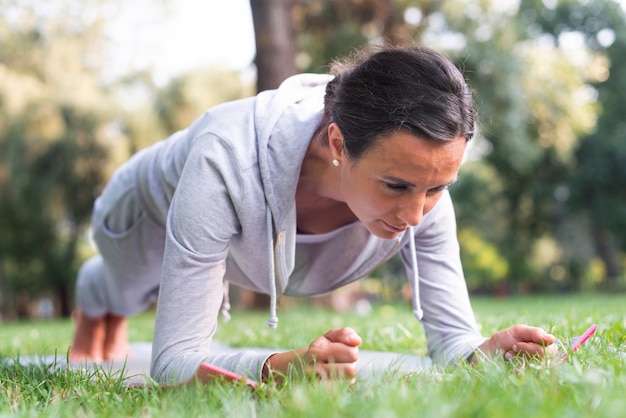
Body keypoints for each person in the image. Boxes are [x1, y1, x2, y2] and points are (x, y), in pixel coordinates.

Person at [70, 44, 557, 384]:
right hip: (144, 212)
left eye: (437, 188)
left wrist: (482, 354)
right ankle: (96, 295)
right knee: (125, 292)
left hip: (237, 236)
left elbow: (452, 340)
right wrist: (277, 367)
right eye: (396, 186)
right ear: (339, 143)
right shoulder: (225, 158)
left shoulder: (422, 186)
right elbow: (173, 361)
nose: (415, 214)